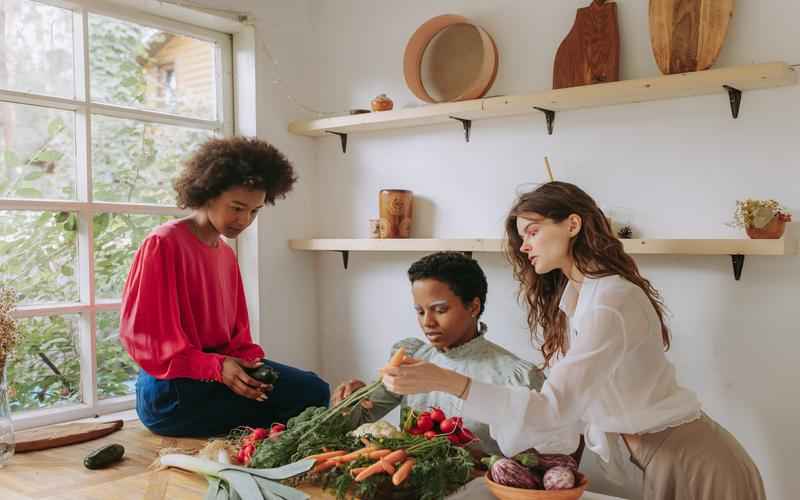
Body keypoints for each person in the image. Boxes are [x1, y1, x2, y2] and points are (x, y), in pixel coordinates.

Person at [381, 182, 765, 499]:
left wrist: (445, 380)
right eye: (521, 237)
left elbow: (553, 408)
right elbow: (563, 415)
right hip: (643, 461)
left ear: (573, 224)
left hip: (695, 462)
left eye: (532, 231)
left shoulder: (613, 300)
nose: (525, 245)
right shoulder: (575, 300)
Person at [120, 136, 330, 437]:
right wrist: (218, 368)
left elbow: (237, 338)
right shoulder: (163, 243)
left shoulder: (225, 254)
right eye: (236, 207)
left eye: (254, 211)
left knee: (314, 390)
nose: (244, 220)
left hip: (217, 376)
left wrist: (248, 369)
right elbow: (146, 339)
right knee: (299, 405)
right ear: (208, 194)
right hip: (171, 392)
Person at [332, 251, 544, 456]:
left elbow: (553, 456)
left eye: (440, 310)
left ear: (473, 307)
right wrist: (349, 403)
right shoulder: (411, 358)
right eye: (420, 311)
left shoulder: (516, 376)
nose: (427, 322)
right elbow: (357, 421)